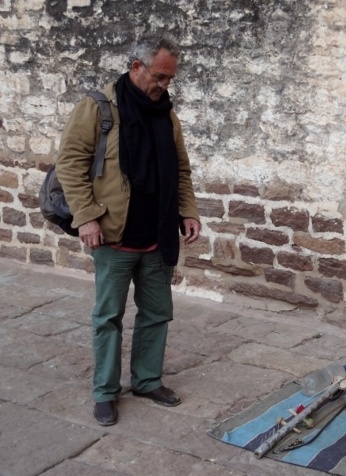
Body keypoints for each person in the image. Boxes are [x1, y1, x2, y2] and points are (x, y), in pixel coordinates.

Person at [55, 35, 201, 426]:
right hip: (112, 235)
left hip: (157, 234)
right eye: (159, 77)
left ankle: (147, 380)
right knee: (109, 317)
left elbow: (181, 170)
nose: (164, 86)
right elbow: (69, 164)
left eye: (170, 79)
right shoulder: (97, 108)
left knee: (156, 314)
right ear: (136, 67)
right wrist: (85, 217)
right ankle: (104, 392)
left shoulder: (166, 114)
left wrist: (187, 211)